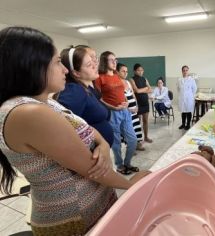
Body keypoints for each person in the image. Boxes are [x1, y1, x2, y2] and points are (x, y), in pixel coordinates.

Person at [0, 26, 150, 235]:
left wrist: (104, 145)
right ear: (31, 66)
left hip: (93, 207)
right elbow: (90, 168)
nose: (65, 70)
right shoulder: (29, 112)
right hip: (74, 218)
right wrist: (130, 183)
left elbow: (85, 127)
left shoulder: (46, 103)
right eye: (57, 62)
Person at [56, 46, 114, 146]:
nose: (95, 66)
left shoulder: (86, 88)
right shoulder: (74, 90)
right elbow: (63, 130)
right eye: (89, 64)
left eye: (94, 61)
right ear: (76, 73)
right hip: (90, 155)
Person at [95, 51, 139, 175]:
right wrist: (113, 108)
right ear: (104, 61)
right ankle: (120, 165)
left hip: (125, 111)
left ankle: (127, 163)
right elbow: (98, 98)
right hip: (112, 113)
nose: (115, 62)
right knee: (116, 142)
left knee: (133, 139)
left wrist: (125, 102)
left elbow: (122, 92)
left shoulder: (116, 75)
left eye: (116, 60)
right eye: (111, 60)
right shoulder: (99, 78)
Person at [117, 63, 145, 151]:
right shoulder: (117, 83)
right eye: (123, 71)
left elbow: (133, 95)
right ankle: (130, 148)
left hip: (134, 110)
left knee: (136, 128)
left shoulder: (128, 82)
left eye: (126, 71)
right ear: (117, 72)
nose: (125, 73)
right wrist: (128, 109)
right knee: (129, 131)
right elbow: (121, 100)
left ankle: (138, 144)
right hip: (126, 112)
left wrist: (136, 106)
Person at [130, 64, 153, 143]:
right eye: (138, 70)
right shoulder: (131, 79)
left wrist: (143, 89)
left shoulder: (144, 79)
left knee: (146, 121)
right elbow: (136, 91)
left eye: (142, 70)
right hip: (137, 103)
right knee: (138, 122)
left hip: (145, 102)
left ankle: (146, 137)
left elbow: (150, 90)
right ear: (134, 71)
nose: (141, 72)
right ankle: (138, 140)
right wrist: (146, 88)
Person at [177, 65, 197, 130]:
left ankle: (188, 125)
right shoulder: (179, 80)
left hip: (189, 98)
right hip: (182, 98)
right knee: (183, 111)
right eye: (184, 70)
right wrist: (182, 95)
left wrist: (189, 95)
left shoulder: (191, 80)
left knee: (188, 111)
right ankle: (183, 124)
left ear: (188, 71)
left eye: (186, 70)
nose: (185, 72)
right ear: (182, 71)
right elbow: (178, 89)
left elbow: (194, 89)